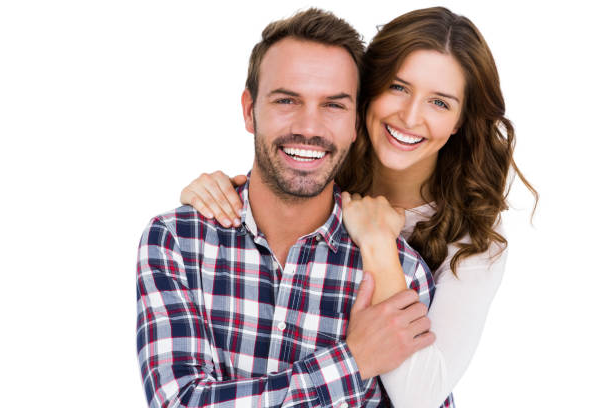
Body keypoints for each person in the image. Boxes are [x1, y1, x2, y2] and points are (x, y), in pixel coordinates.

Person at [179, 6, 538, 408]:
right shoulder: (321, 161)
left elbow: (421, 396)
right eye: (399, 88)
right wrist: (214, 192)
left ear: (459, 120)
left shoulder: (473, 243)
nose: (410, 116)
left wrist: (379, 246)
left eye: (440, 103)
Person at [136, 8, 445, 408]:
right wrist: (353, 362)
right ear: (250, 110)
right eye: (287, 100)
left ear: (355, 123)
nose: (310, 127)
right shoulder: (178, 241)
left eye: (333, 105)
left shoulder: (399, 273)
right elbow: (180, 401)